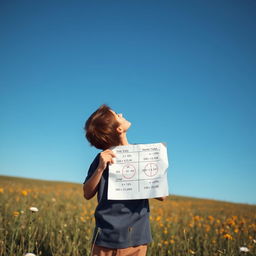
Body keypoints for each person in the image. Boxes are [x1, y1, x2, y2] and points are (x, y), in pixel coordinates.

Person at [83, 104, 166, 256]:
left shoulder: (144, 154)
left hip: (136, 239)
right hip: (104, 238)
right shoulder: (101, 158)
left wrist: (150, 165)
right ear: (118, 129)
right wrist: (100, 168)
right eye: (116, 115)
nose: (121, 114)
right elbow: (87, 193)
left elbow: (162, 195)